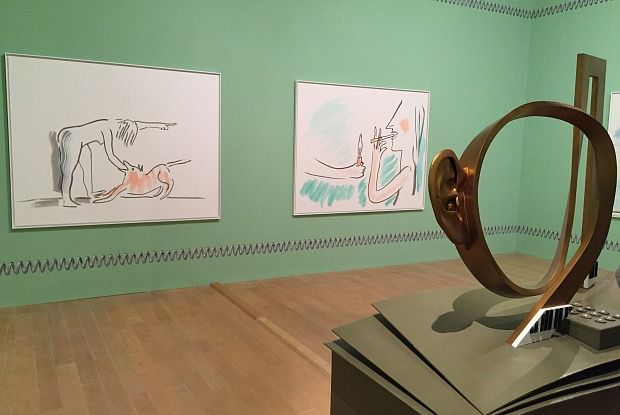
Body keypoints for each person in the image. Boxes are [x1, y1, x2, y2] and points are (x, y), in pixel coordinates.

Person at [57, 118, 175, 207]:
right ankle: (66, 199)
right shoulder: (107, 129)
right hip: (73, 137)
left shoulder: (118, 124)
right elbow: (110, 155)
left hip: (83, 141)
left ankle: (89, 193)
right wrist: (125, 168)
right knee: (68, 170)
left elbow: (138, 125)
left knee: (87, 167)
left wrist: (159, 126)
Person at [367, 101, 418, 205]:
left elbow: (374, 196)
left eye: (401, 119)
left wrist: (375, 160)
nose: (390, 125)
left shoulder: (407, 171)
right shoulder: (408, 167)